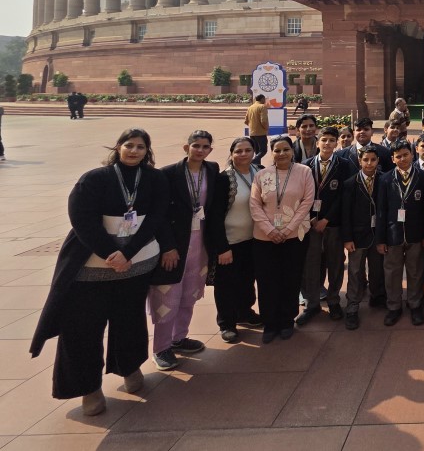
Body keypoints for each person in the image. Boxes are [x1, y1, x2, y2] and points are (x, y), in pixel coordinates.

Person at [30, 128, 168, 416]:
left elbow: (156, 217)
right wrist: (110, 253)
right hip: (91, 266)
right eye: (129, 145)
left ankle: (129, 367)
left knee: (129, 320)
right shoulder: (94, 179)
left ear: (147, 151)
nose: (134, 151)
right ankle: (88, 388)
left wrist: (128, 253)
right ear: (118, 147)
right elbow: (81, 220)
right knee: (82, 328)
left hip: (136, 265)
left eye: (140, 146)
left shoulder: (154, 178)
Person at [148, 130, 218, 370]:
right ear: (186, 147)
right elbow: (159, 214)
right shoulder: (168, 174)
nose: (200, 150)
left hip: (200, 243)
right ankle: (161, 347)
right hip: (175, 244)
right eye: (196, 145)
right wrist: (167, 246)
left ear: (210, 150)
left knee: (190, 292)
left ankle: (179, 337)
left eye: (205, 147)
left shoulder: (212, 170)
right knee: (167, 296)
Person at [249, 135, 314, 343]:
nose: (282, 153)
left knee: (290, 279)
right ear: (271, 152)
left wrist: (287, 230)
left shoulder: (304, 172)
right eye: (277, 150)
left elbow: (307, 202)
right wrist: (270, 230)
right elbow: (254, 205)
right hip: (264, 238)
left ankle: (286, 320)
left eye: (286, 149)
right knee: (267, 281)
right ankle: (270, 322)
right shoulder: (262, 175)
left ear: (292, 151)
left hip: (294, 237)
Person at [207, 137, 263, 344]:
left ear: (254, 152)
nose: (243, 154)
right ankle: (227, 323)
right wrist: (222, 247)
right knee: (226, 284)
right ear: (231, 154)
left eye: (248, 150)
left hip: (254, 239)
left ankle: (244, 312)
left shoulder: (260, 172)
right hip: (230, 242)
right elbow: (215, 216)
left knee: (247, 280)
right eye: (238, 151)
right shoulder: (224, 179)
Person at [297, 127, 346, 325]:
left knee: (335, 263)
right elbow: (301, 195)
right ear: (317, 142)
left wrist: (326, 219)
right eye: (324, 140)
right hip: (311, 224)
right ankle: (312, 304)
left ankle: (334, 301)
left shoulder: (344, 165)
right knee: (311, 264)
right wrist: (311, 218)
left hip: (333, 224)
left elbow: (344, 196)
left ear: (336, 143)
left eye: (331, 140)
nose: (327, 143)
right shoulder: (305, 166)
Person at [376, 140, 424, 326]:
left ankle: (415, 304)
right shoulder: (385, 179)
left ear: (413, 155)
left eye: (406, 155)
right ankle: (394, 306)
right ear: (392, 159)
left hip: (416, 233)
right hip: (393, 234)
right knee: (392, 272)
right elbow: (381, 211)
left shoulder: (423, 176)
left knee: (415, 271)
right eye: (398, 156)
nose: (403, 159)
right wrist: (381, 239)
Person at [341, 144, 381, 330]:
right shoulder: (350, 183)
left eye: (373, 160)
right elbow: (345, 214)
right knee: (355, 271)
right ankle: (352, 305)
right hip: (357, 236)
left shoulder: (384, 179)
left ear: (378, 161)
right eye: (365, 160)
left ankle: (377, 295)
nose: (369, 163)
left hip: (377, 234)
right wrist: (347, 238)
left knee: (377, 268)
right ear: (359, 161)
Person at [244, 94, 269, 166]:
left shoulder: (250, 107)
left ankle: (257, 166)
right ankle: (253, 162)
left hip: (252, 133)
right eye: (264, 99)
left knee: (257, 152)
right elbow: (263, 121)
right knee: (263, 150)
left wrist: (252, 126)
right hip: (260, 133)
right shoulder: (262, 106)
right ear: (262, 99)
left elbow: (246, 121)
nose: (265, 101)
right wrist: (266, 128)